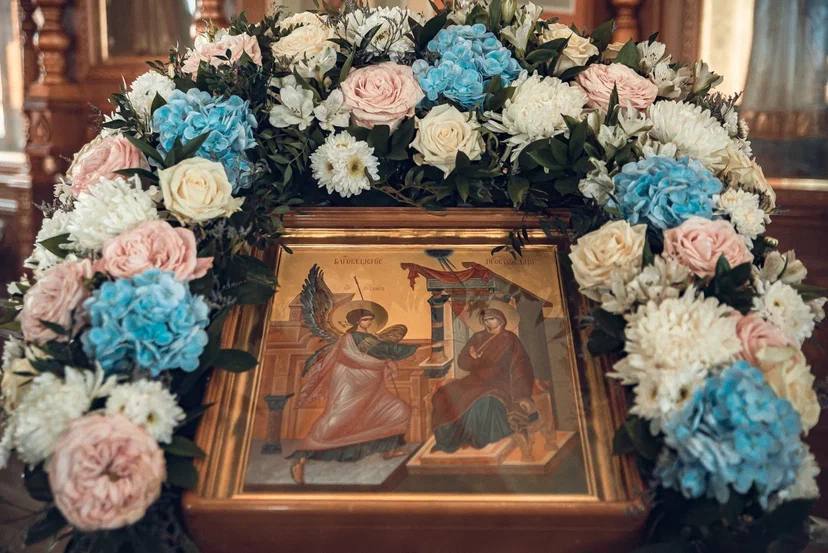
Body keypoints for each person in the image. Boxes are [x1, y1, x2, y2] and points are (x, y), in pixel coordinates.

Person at [283, 308, 420, 484]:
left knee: (396, 411)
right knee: (335, 421)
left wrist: (386, 357)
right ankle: (300, 459)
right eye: (365, 320)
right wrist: (412, 349)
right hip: (351, 382)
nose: (368, 323)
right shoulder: (352, 338)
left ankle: (389, 448)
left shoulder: (370, 338)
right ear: (357, 322)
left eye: (370, 319)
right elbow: (378, 350)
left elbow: (380, 351)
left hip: (372, 387)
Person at [431, 308, 535, 453]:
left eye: (491, 319)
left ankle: (475, 439)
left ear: (501, 320)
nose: (488, 322)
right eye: (485, 319)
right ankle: (448, 441)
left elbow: (520, 365)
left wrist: (521, 394)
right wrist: (472, 358)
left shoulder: (510, 339)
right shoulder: (478, 337)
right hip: (474, 380)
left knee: (483, 401)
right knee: (443, 394)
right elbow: (462, 362)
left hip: (499, 382)